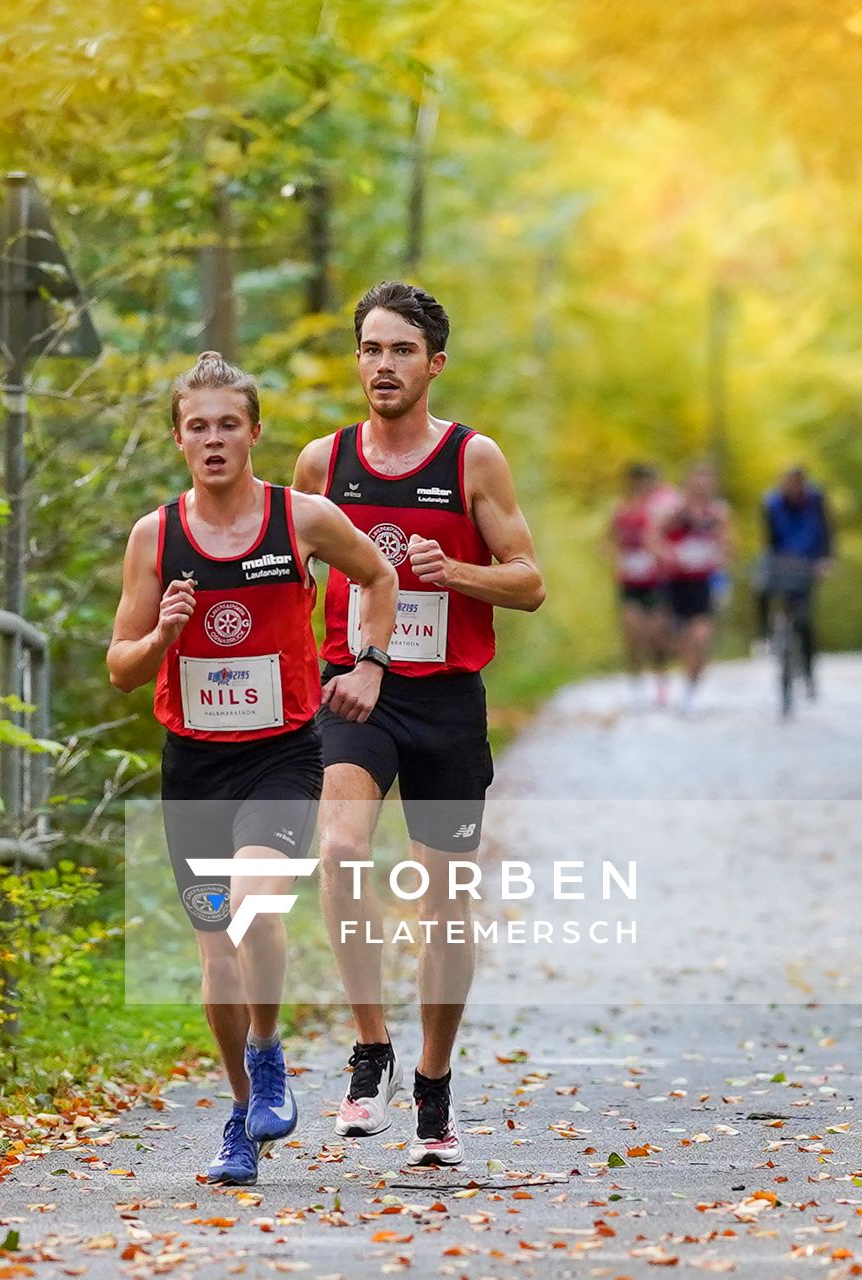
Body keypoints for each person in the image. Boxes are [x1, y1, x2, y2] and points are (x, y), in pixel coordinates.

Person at [108, 352, 397, 1186]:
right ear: (178, 440)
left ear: (255, 433)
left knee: (251, 902)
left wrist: (369, 662)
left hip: (281, 755)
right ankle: (241, 1111)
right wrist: (162, 636)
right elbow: (121, 667)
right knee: (215, 956)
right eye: (197, 427)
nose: (213, 440)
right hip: (194, 765)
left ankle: (268, 1052)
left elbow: (377, 574)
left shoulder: (299, 518)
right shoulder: (155, 536)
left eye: (228, 424)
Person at [292, 282, 544, 1167]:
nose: (384, 365)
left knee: (445, 902)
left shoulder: (473, 461)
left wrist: (454, 576)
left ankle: (433, 1081)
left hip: (445, 701)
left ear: (435, 364)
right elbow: (289, 585)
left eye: (402, 350)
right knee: (339, 852)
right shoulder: (324, 464)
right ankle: (371, 1047)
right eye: (371, 349)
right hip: (355, 692)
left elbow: (529, 581)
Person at [656, 462, 730, 717]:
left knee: (702, 637)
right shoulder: (675, 512)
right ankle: (681, 681)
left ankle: (691, 690)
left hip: (704, 581)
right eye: (697, 481)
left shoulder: (718, 513)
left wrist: (722, 556)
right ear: (688, 483)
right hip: (676, 582)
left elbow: (729, 544)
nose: (702, 486)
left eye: (707, 481)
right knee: (681, 639)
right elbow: (653, 538)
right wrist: (667, 555)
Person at [758, 465, 833, 697]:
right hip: (781, 560)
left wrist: (825, 559)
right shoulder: (771, 503)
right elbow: (769, 538)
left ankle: (809, 674)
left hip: (807, 562)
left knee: (803, 621)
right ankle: (764, 635)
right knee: (760, 587)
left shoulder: (815, 499)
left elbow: (826, 530)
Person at [608, 462, 674, 708]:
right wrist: (615, 558)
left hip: (655, 580)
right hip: (630, 581)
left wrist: (664, 555)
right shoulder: (620, 510)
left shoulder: (661, 509)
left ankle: (661, 683)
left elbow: (672, 538)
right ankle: (636, 685)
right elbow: (609, 540)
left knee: (657, 635)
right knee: (633, 634)